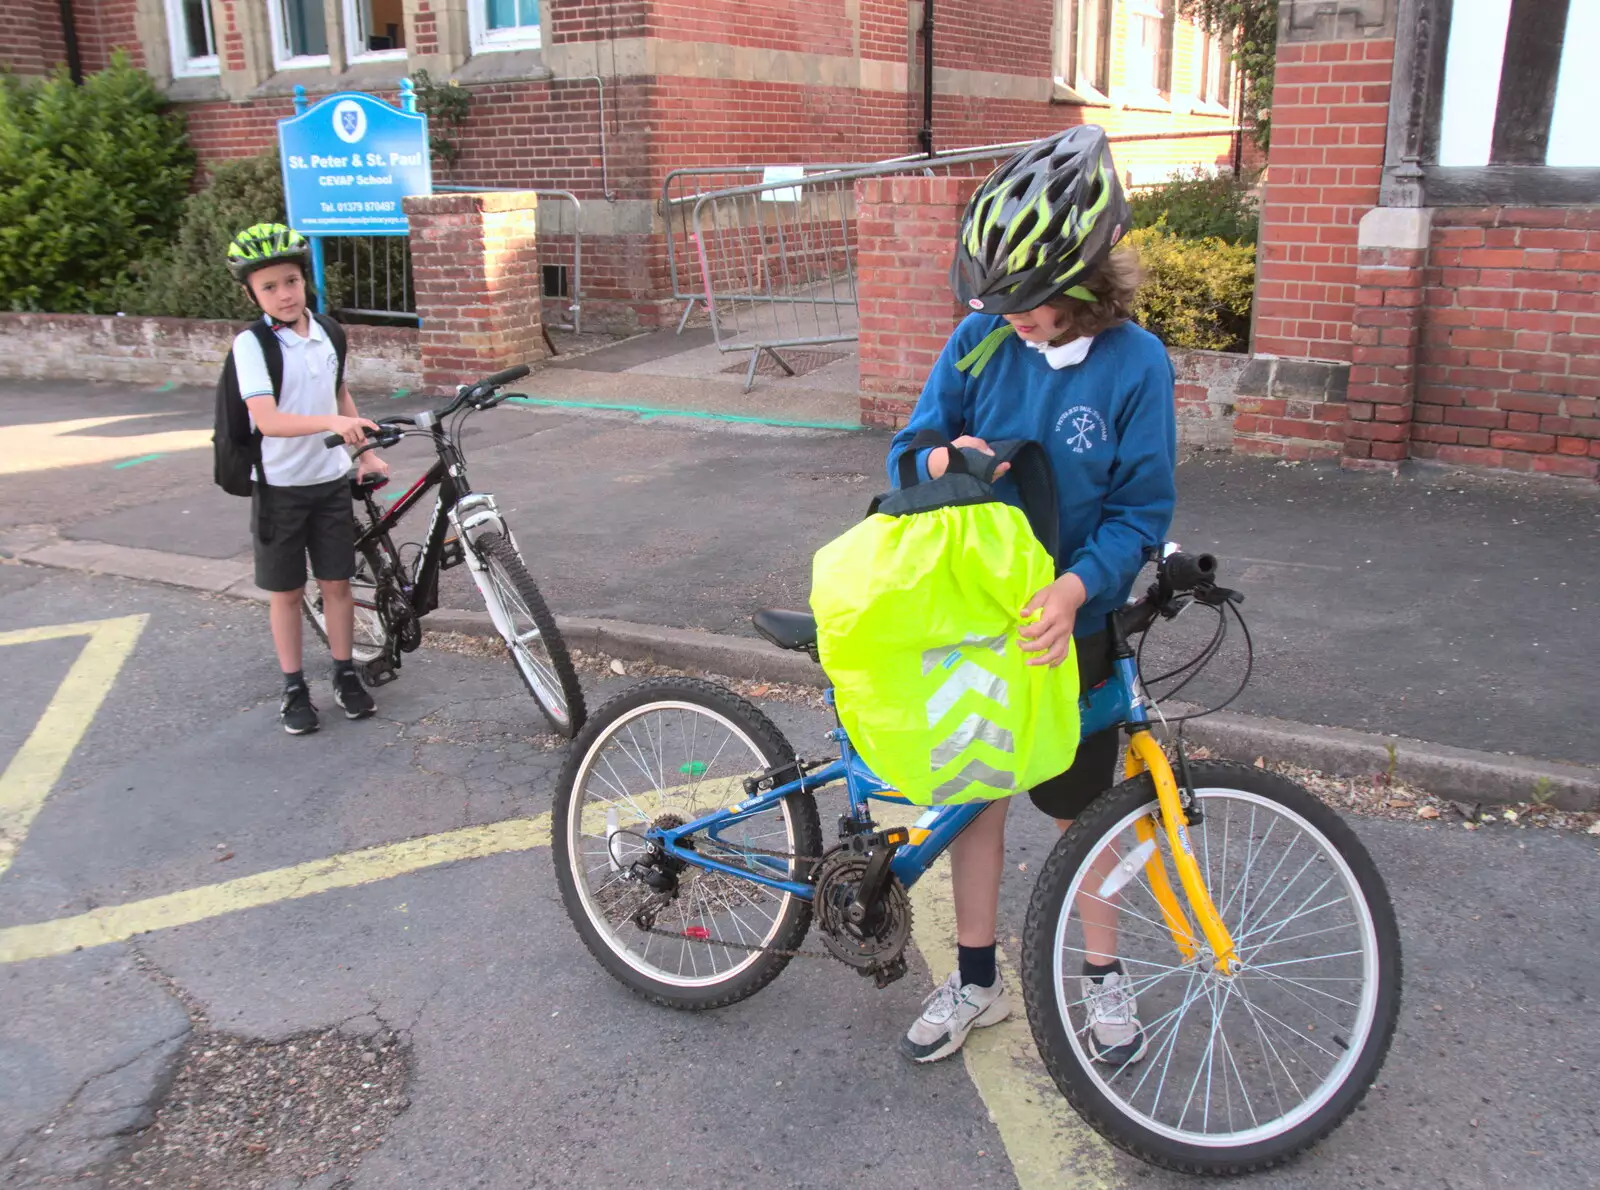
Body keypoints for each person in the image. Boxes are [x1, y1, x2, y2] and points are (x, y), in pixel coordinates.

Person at [889, 127, 1177, 1065]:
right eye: (996, 301)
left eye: (1028, 303)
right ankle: (976, 981)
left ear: (1088, 278)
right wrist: (937, 458)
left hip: (1071, 626)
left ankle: (1101, 974)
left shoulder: (1137, 366)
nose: (1008, 318)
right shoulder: (979, 343)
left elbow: (1139, 510)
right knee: (976, 804)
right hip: (974, 620)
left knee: (1083, 808)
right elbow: (906, 450)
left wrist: (1077, 585)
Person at [225, 223, 389, 735]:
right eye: (269, 286)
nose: (284, 293)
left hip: (330, 480)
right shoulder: (252, 346)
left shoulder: (327, 333)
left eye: (291, 281)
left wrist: (361, 453)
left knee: (337, 583)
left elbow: (338, 394)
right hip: (280, 487)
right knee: (288, 592)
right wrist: (332, 425)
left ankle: (345, 673)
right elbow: (269, 420)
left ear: (305, 281)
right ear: (252, 293)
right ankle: (294, 687)